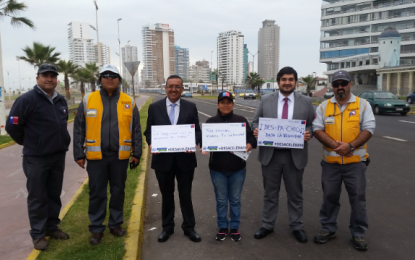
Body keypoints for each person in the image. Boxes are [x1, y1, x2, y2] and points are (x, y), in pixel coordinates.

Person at [73, 64, 142, 245]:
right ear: (100, 80)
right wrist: (79, 153)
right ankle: (96, 228)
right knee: (97, 192)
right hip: (97, 158)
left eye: (113, 75)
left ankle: (115, 224)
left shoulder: (129, 101)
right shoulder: (88, 100)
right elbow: (79, 128)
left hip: (120, 157)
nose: (109, 78)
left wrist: (137, 153)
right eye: (105, 75)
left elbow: (135, 129)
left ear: (119, 79)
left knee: (118, 191)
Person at [6, 64, 71, 250]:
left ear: (57, 79)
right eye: (45, 76)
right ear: (37, 78)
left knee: (53, 194)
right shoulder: (26, 100)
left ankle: (52, 227)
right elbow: (12, 126)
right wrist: (30, 143)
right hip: (36, 158)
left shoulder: (60, 100)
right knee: (37, 196)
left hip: (58, 156)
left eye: (53, 76)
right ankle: (38, 234)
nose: (49, 79)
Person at [312, 70, 375, 251]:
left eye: (343, 83)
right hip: (330, 164)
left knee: (357, 199)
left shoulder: (363, 105)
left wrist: (351, 147)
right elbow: (317, 129)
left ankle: (358, 232)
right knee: (329, 197)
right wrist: (335, 145)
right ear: (332, 86)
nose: (340, 87)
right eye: (336, 83)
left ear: (350, 84)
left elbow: (369, 128)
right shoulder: (324, 107)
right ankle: (328, 228)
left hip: (355, 163)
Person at [251, 66, 315, 243]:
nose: (287, 82)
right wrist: (256, 130)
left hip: (294, 156)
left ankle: (296, 225)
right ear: (278, 82)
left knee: (295, 193)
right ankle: (267, 224)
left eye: (291, 79)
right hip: (271, 155)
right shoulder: (265, 100)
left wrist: (309, 133)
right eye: (284, 79)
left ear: (296, 82)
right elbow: (255, 122)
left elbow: (312, 125)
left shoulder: (307, 102)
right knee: (270, 193)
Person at [144, 75, 202, 243]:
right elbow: (149, 131)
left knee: (185, 195)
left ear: (182, 89)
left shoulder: (191, 107)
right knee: (167, 195)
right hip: (163, 161)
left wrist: (195, 141)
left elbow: (197, 130)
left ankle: (189, 228)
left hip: (185, 160)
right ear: (165, 88)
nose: (174, 89)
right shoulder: (154, 107)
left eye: (177, 86)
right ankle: (167, 228)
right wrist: (151, 143)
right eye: (171, 86)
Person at [201, 92, 257, 242]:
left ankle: (234, 227)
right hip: (217, 169)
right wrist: (203, 147)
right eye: (222, 102)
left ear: (233, 104)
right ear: (218, 104)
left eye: (229, 102)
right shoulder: (211, 122)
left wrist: (250, 144)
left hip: (238, 169)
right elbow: (204, 140)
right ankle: (222, 227)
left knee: (235, 200)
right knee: (220, 200)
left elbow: (252, 137)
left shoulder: (241, 120)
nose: (226, 105)